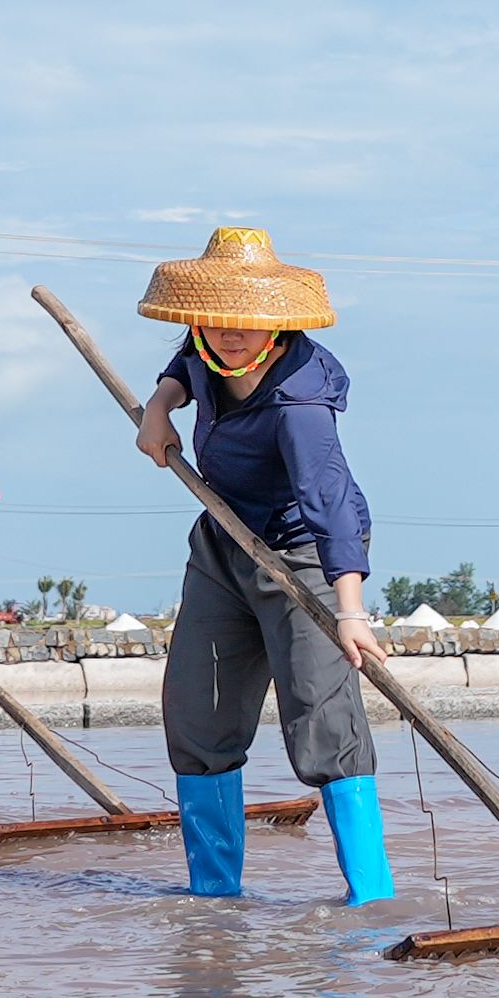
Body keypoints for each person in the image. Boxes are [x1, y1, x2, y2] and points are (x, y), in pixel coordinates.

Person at [131, 227, 393, 905]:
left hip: (302, 553)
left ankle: (369, 903)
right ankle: (214, 903)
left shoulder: (300, 401)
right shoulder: (205, 351)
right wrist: (158, 407)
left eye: (245, 323)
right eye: (216, 320)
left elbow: (328, 500)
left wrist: (351, 613)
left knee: (322, 722)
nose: (230, 335)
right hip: (222, 542)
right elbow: (187, 367)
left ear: (276, 324)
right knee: (197, 713)